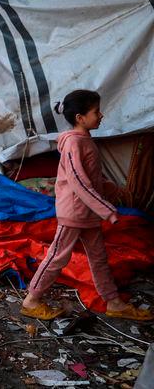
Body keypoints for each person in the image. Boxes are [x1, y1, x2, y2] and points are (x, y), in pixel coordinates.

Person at [21, 89, 153, 321]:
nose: (101, 115)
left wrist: (113, 190)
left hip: (88, 212)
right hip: (74, 211)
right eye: (96, 112)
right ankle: (31, 301)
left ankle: (113, 302)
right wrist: (107, 209)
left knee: (98, 257)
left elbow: (92, 177)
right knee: (57, 257)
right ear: (80, 118)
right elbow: (78, 180)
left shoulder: (85, 141)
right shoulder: (73, 142)